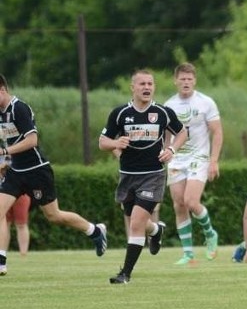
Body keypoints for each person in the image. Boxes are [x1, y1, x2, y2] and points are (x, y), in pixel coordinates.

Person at [0, 74, 107, 276]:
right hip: (15, 172)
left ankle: (95, 230)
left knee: (54, 216)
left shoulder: (19, 108)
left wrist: (5, 152)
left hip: (36, 171)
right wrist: (5, 163)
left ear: (2, 90)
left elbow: (32, 141)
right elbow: (8, 142)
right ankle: (1, 262)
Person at [98, 69, 186, 284]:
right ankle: (156, 230)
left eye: (150, 84)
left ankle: (125, 274)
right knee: (138, 220)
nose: (147, 87)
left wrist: (172, 150)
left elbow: (183, 132)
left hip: (153, 176)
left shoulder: (163, 112)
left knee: (136, 222)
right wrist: (115, 143)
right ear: (133, 88)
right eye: (142, 84)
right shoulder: (120, 114)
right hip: (128, 176)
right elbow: (102, 142)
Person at [165, 62, 223, 266]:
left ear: (194, 81)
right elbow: (166, 134)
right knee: (179, 204)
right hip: (176, 159)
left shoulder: (206, 102)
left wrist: (214, 160)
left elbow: (217, 131)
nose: (186, 82)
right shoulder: (169, 105)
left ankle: (210, 233)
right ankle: (188, 254)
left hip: (199, 158)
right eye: (182, 79)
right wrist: (165, 154)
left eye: (189, 79)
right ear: (176, 81)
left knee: (191, 201)